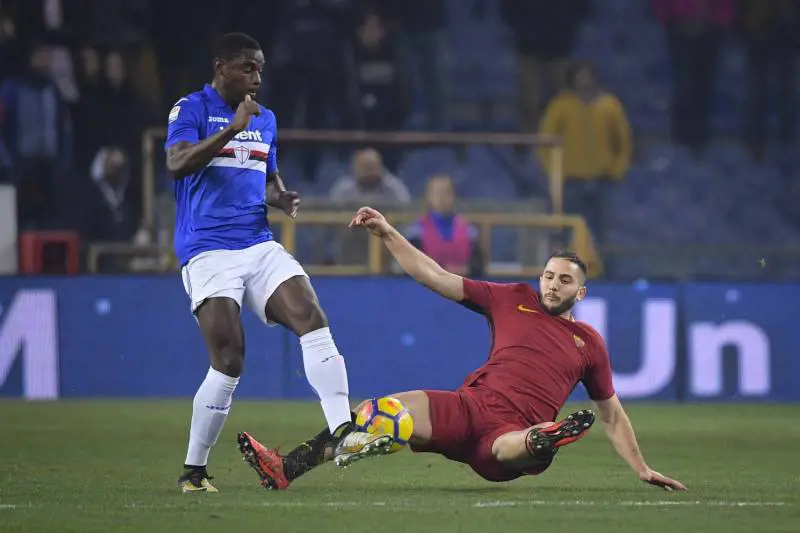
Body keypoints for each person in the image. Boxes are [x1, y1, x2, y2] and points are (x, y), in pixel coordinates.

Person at [236, 207, 687, 491]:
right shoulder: (511, 297)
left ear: (581, 293)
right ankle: (285, 467)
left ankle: (545, 439)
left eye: (564, 280)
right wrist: (389, 232)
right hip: (468, 406)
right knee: (378, 412)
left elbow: (611, 413)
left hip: (509, 430)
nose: (552, 284)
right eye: (549, 275)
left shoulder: (589, 344)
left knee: (517, 445)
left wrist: (642, 468)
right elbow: (435, 276)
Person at [164, 33, 391, 493]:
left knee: (312, 318)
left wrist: (280, 195)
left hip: (257, 241)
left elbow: (265, 175)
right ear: (221, 65)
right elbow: (177, 164)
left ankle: (343, 431)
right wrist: (230, 128)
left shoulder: (265, 119)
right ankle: (194, 471)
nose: (256, 78)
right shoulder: (190, 108)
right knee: (229, 360)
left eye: (260, 70)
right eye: (247, 68)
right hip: (207, 249)